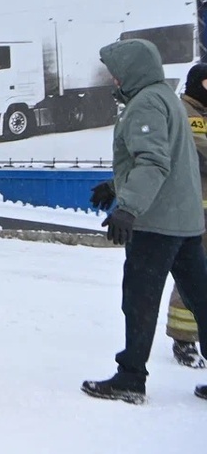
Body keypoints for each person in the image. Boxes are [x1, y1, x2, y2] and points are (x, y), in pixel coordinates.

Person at [82, 40, 207, 404]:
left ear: (133, 69)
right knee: (201, 300)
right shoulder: (165, 96)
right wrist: (115, 185)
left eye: (116, 71)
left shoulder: (145, 104)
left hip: (157, 223)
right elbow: (162, 156)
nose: (113, 78)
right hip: (186, 221)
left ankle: (130, 378)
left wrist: (128, 207)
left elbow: (152, 162)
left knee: (139, 299)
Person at [164, 63, 207, 369]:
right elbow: (200, 153)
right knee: (193, 276)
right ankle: (184, 339)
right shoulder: (186, 113)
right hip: (195, 210)